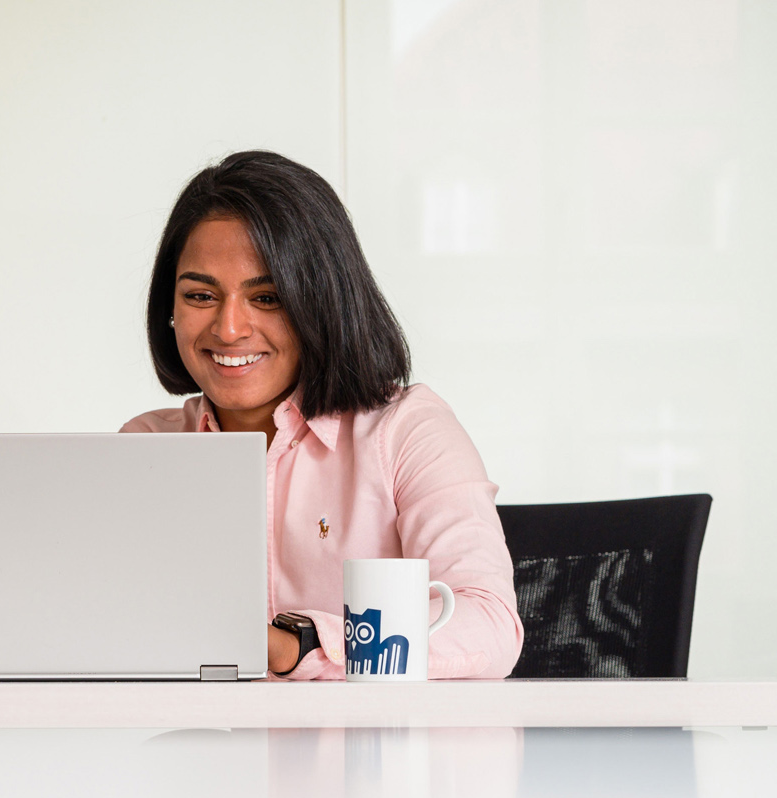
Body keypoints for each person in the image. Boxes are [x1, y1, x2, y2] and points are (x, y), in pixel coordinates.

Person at [121, 151, 523, 680]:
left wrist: (300, 646)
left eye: (266, 297)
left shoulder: (407, 431)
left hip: (371, 758)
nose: (229, 328)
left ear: (322, 302)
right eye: (200, 295)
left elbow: (488, 624)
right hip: (204, 752)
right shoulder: (146, 446)